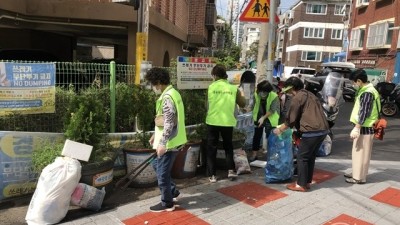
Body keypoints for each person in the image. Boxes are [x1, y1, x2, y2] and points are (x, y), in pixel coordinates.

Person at [273, 76, 329, 192]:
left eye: (287, 90)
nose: (287, 93)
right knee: (310, 157)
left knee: (302, 157)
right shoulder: (310, 94)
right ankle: (306, 182)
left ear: (292, 88)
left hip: (312, 131)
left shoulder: (297, 97)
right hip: (322, 130)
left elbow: (291, 118)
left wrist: (280, 129)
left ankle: (301, 184)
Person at [145, 67, 187, 212]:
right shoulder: (173, 93)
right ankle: (173, 191)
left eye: (152, 83)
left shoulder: (167, 97)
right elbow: (166, 121)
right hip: (173, 139)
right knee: (157, 164)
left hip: (169, 143)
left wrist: (162, 143)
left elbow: (169, 122)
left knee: (162, 174)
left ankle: (167, 203)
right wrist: (155, 136)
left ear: (158, 82)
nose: (152, 87)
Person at [206, 64, 246, 183]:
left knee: (211, 148)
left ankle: (212, 175)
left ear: (214, 75)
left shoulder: (211, 87)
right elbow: (243, 104)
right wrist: (242, 94)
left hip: (212, 121)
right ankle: (231, 171)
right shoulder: (233, 88)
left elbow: (206, 104)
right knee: (228, 146)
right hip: (227, 122)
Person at [344, 69, 380, 184]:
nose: (353, 84)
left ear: (359, 81)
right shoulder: (365, 89)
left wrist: (357, 127)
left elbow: (364, 112)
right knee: (359, 152)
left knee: (361, 153)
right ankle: (357, 172)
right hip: (365, 127)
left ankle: (359, 177)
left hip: (365, 127)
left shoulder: (367, 93)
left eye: (354, 82)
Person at [249, 80, 280, 162]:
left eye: (264, 92)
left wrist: (263, 118)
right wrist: (247, 110)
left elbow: (272, 110)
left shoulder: (274, 96)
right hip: (258, 118)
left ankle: (273, 157)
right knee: (257, 136)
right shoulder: (256, 94)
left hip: (270, 119)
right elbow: (253, 106)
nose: (262, 93)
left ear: (268, 91)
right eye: (261, 91)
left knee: (271, 138)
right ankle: (254, 154)